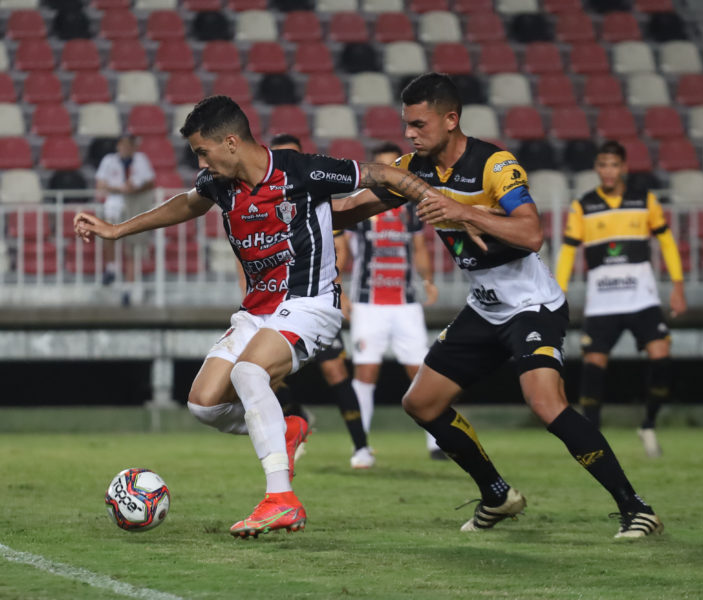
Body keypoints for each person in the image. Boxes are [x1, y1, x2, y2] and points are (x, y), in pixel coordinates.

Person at [74, 95, 448, 538]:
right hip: (257, 311)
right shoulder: (219, 183)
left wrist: (440, 202)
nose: (201, 163)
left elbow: (379, 174)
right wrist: (118, 230)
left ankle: (281, 499)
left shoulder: (300, 171)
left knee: (249, 373)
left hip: (309, 301)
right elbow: (188, 203)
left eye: (203, 152)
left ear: (231, 143)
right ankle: (286, 427)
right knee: (204, 405)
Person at [332, 73, 663, 538]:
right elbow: (352, 208)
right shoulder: (414, 169)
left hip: (532, 305)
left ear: (451, 119)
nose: (410, 133)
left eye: (419, 124)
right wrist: (297, 209)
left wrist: (463, 212)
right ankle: (496, 494)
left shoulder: (494, 164)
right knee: (421, 404)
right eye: (407, 124)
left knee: (545, 402)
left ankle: (636, 507)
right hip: (486, 307)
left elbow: (532, 233)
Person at [555, 140, 687, 458]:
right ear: (596, 168)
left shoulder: (644, 201)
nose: (608, 171)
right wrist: (559, 292)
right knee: (594, 365)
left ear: (624, 168)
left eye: (614, 165)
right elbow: (568, 252)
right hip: (603, 302)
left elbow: (667, 242)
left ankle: (648, 425)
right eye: (603, 165)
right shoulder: (583, 206)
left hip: (642, 299)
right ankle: (592, 441)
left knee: (661, 355)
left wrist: (678, 286)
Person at [263, 133, 374, 470]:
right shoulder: (262, 204)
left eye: (294, 157)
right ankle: (297, 417)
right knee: (264, 375)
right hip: (276, 301)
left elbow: (338, 249)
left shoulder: (316, 198)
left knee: (334, 370)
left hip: (315, 299)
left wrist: (340, 291)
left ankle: (361, 446)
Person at [343, 142, 443, 460]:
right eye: (383, 167)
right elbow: (343, 250)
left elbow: (420, 248)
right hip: (367, 303)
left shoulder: (410, 207)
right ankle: (360, 446)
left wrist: (427, 280)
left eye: (394, 166)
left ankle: (436, 442)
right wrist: (339, 289)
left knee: (421, 371)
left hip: (405, 303)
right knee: (366, 372)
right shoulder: (359, 205)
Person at [94, 134, 155, 285]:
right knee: (108, 234)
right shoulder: (109, 160)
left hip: (135, 206)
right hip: (114, 204)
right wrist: (120, 189)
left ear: (134, 147)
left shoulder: (141, 160)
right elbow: (100, 185)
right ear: (118, 146)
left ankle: (129, 285)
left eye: (129, 145)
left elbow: (150, 183)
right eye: (123, 145)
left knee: (131, 247)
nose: (125, 148)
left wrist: (135, 189)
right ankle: (111, 268)